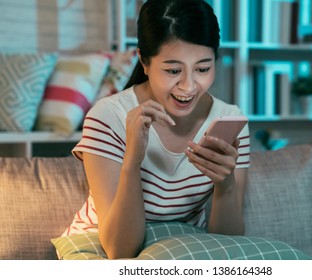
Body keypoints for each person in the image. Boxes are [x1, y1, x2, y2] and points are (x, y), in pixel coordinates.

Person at [64, 0, 250, 259]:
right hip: (101, 244)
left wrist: (225, 184)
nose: (188, 86)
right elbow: (120, 250)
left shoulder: (229, 120)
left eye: (203, 69)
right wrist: (133, 160)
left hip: (182, 247)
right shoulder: (108, 116)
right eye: (173, 70)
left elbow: (227, 245)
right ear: (144, 61)